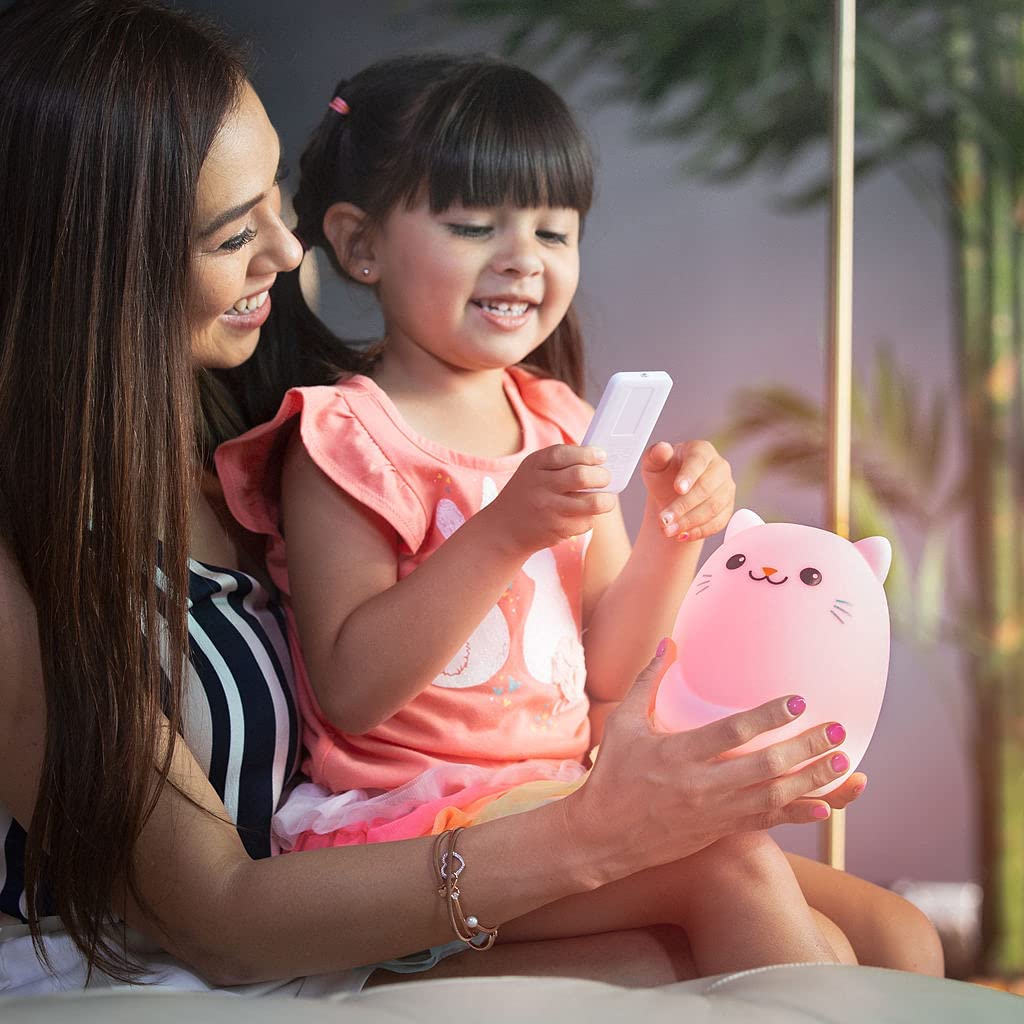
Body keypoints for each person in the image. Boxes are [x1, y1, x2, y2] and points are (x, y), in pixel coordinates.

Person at [214, 54, 943, 980]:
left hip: (563, 793)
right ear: (362, 245)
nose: (523, 258)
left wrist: (673, 541)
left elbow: (608, 665)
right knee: (736, 875)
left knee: (902, 936)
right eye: (474, 225)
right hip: (411, 828)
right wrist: (502, 533)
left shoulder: (558, 419)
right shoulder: (343, 439)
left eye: (555, 233)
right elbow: (353, 688)